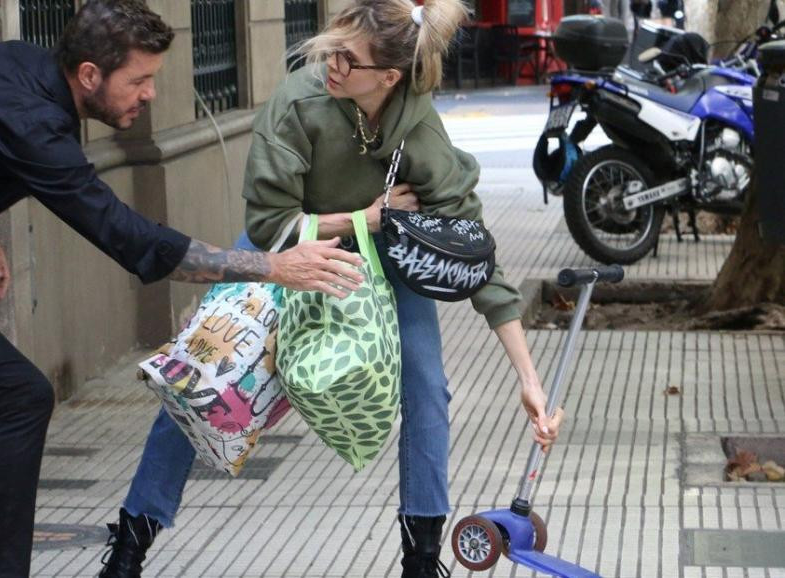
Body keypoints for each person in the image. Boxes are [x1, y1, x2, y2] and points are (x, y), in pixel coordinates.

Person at [0, 1, 368, 577]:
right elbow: (128, 238)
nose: (149, 95)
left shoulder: (19, 68)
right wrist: (272, 267)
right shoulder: (35, 125)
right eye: (140, 80)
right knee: (18, 397)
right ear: (90, 75)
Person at [98, 1, 565, 577]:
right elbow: (270, 224)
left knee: (427, 392)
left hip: (385, 261)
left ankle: (421, 559)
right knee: (202, 376)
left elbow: (475, 256)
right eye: (332, 48)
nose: (331, 64)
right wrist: (360, 219)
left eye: (349, 58)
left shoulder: (421, 135)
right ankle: (129, 545)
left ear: (389, 78)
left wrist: (529, 379)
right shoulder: (300, 100)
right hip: (288, 250)